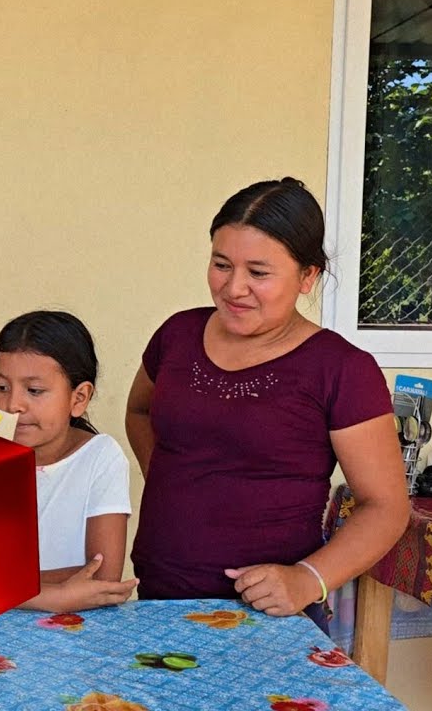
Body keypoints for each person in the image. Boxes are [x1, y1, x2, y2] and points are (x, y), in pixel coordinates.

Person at [125, 178, 409, 626]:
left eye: (258, 273)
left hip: (270, 618)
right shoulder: (177, 334)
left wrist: (307, 578)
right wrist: (168, 478)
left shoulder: (341, 369)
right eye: (221, 264)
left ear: (307, 276)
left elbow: (387, 507)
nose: (234, 288)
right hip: (159, 598)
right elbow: (139, 410)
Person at [0, 310, 139, 612]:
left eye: (34, 390)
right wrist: (52, 593)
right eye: (2, 387)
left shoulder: (101, 458)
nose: (13, 404)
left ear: (79, 398)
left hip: (73, 633)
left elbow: (101, 577)